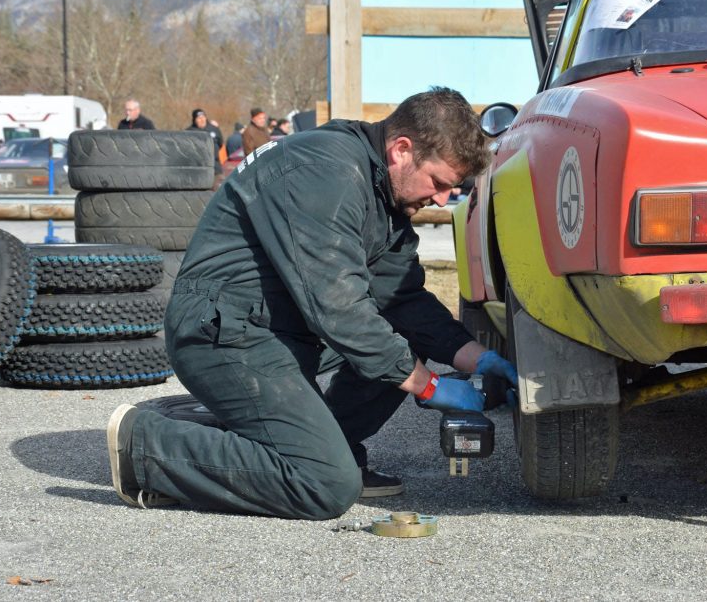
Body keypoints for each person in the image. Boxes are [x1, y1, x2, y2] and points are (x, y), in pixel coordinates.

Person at [106, 87, 516, 520]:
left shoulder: (385, 195)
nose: (440, 199)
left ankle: (316, 444)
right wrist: (430, 386)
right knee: (326, 485)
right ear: (402, 150)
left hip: (280, 330)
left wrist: (481, 359)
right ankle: (144, 446)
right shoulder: (327, 172)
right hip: (223, 331)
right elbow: (340, 308)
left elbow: (404, 302)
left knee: (399, 346)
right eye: (438, 183)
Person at [185, 108, 224, 183]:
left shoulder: (214, 129)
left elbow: (220, 143)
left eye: (203, 117)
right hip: (197, 168)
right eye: (199, 118)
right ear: (194, 120)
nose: (202, 120)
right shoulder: (189, 132)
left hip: (215, 167)